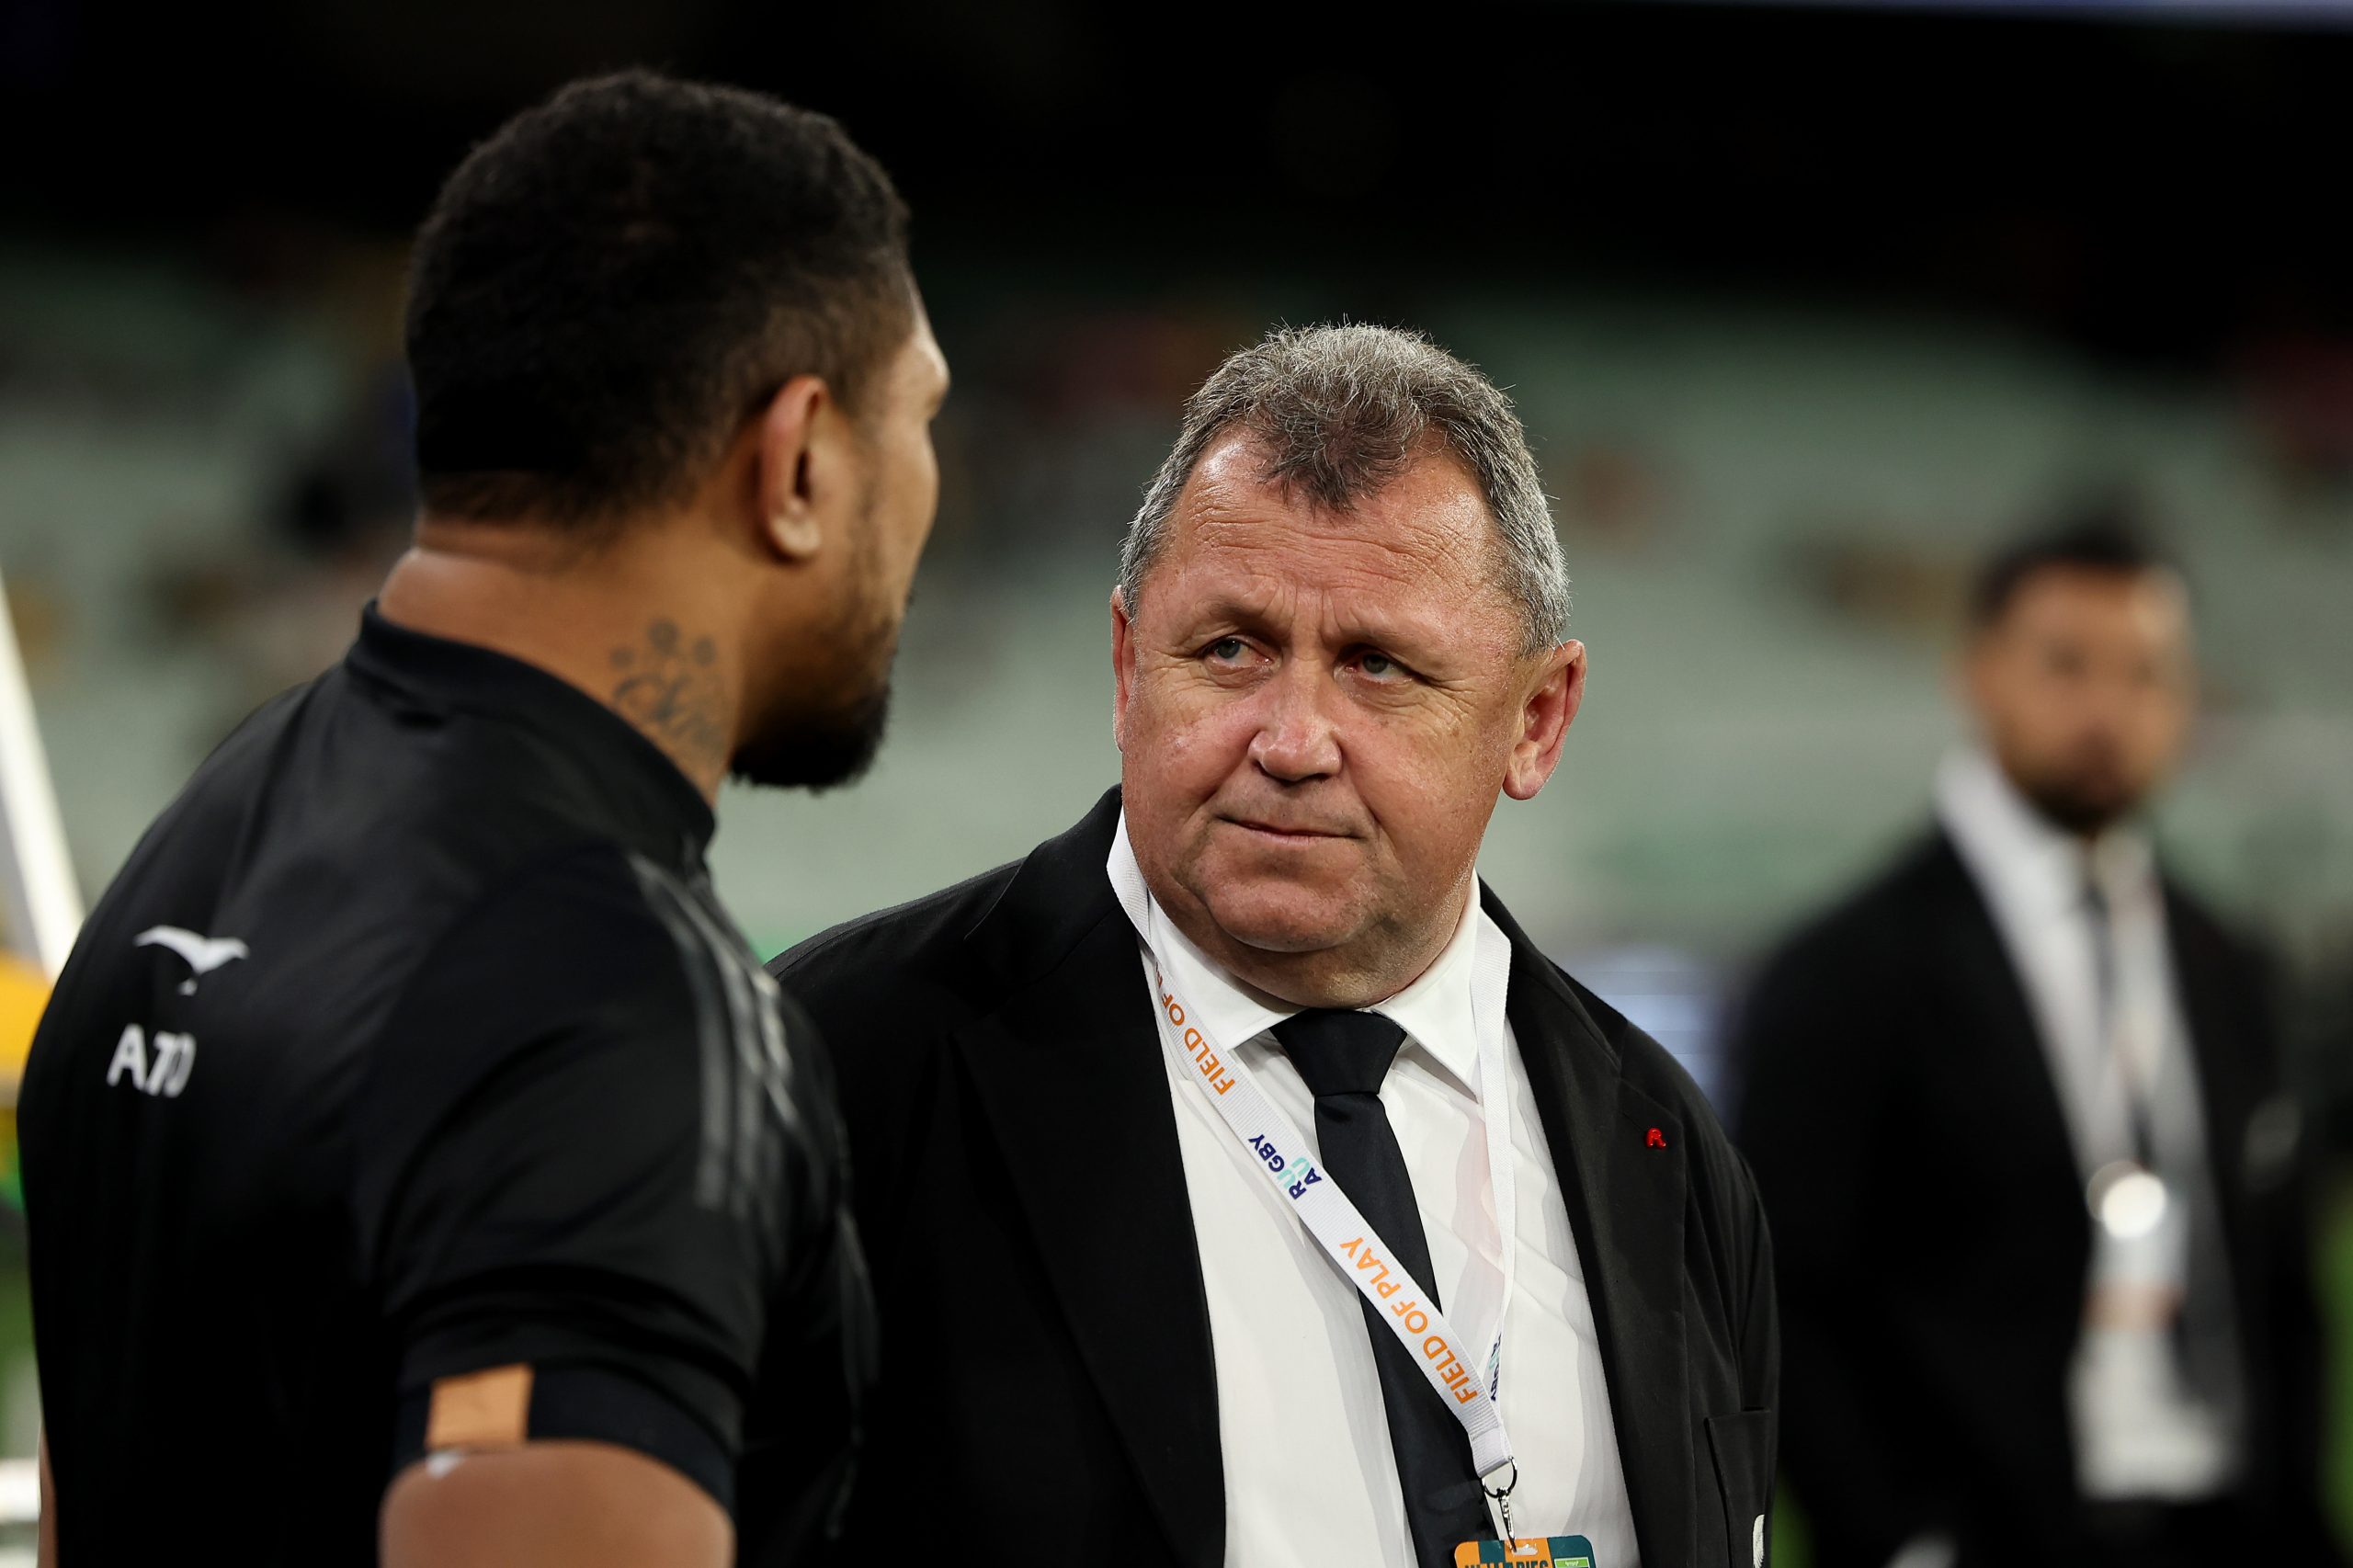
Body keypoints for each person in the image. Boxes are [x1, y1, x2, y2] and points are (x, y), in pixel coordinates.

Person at [19, 70, 948, 1568]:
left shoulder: (202, 842)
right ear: (795, 463)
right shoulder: (615, 1006)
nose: (929, 495)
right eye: (921, 421)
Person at [771, 324, 1778, 1568]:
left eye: (1377, 665)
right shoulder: (836, 1067)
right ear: (1129, 663)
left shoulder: (1663, 1146)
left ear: (1536, 720)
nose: (1292, 737)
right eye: (1231, 648)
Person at [1731, 518, 2340, 1568]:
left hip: (2223, 1531)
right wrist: (1895, 1534)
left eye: (2147, 672)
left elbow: (2277, 1279)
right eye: (2065, 664)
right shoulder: (1847, 969)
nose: (2108, 708)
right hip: (1990, 1531)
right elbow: (1781, 1292)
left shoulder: (2227, 962)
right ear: (1975, 672)